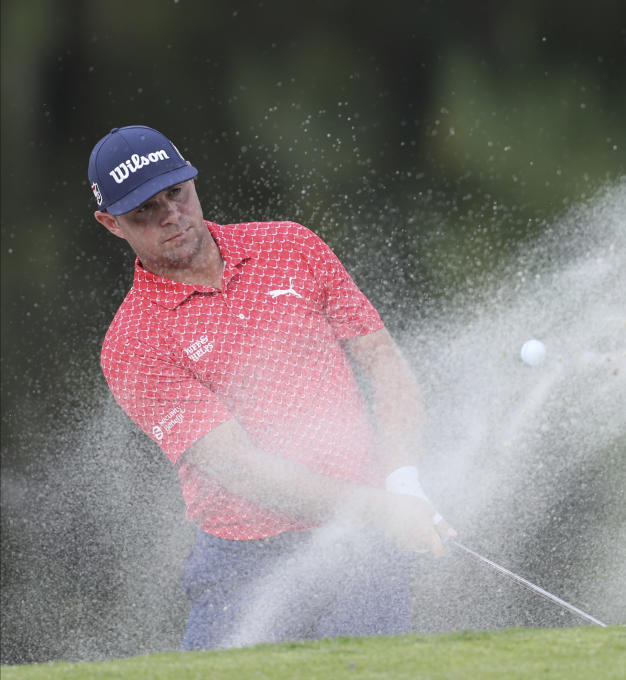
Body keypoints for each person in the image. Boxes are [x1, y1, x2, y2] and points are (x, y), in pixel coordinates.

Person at [88, 125, 453, 650]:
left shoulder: (289, 245)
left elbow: (384, 364)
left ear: (192, 179)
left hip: (364, 546)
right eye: (143, 208)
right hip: (243, 562)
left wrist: (403, 482)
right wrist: (379, 508)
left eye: (176, 192)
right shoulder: (133, 342)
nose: (170, 214)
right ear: (111, 223)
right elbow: (242, 469)